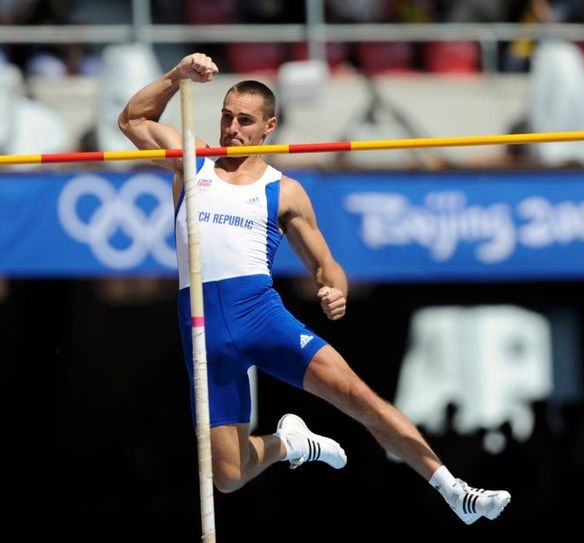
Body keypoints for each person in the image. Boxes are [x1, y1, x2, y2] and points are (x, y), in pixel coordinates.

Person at [118, 52, 511, 526]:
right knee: (227, 475)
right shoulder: (191, 160)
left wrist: (335, 291)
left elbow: (328, 267)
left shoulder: (284, 191)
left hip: (260, 315)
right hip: (203, 328)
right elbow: (132, 118)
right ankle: (290, 444)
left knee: (359, 398)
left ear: (269, 127)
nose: (232, 129)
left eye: (245, 120)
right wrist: (176, 76)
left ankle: (453, 490)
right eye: (226, 117)